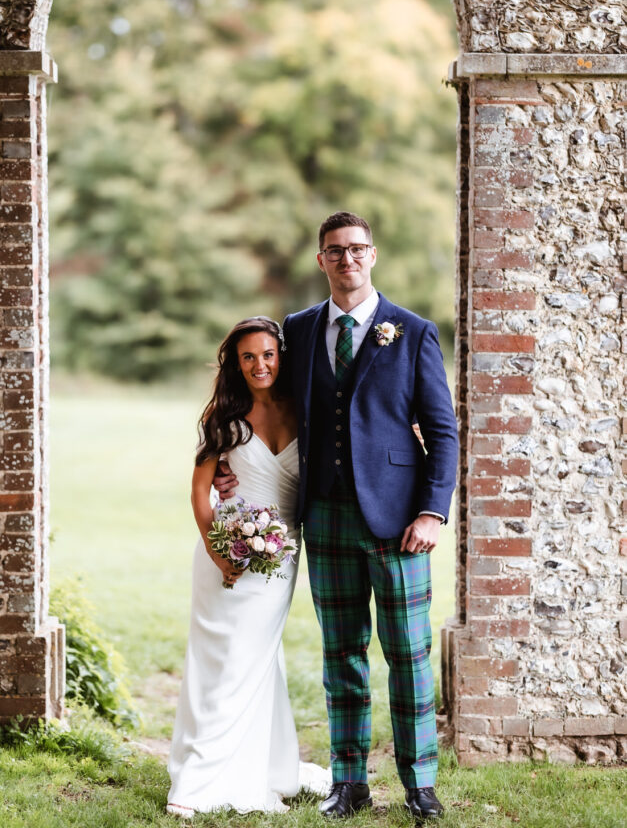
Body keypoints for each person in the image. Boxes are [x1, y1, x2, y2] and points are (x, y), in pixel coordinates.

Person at [215, 212, 458, 821]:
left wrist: (432, 512)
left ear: (372, 256)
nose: (346, 259)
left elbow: (444, 431)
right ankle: (348, 782)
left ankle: (420, 784)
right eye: (334, 251)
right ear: (321, 261)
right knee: (340, 655)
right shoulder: (296, 331)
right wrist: (230, 459)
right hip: (323, 516)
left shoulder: (413, 331)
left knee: (408, 654)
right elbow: (263, 400)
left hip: (400, 521)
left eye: (355, 249)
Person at [166, 316, 329, 817]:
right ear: (235, 364)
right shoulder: (225, 416)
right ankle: (201, 775)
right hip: (228, 552)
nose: (260, 365)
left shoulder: (304, 410)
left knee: (258, 660)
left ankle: (263, 766)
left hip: (282, 556)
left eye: (268, 354)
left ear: (282, 356)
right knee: (224, 661)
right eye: (248, 357)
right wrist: (221, 553)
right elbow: (199, 493)